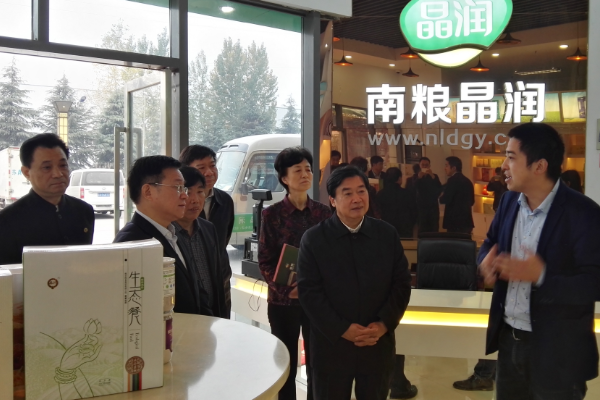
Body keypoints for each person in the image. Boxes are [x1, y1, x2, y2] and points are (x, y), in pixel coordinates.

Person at [479, 123, 600, 400]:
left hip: (558, 352)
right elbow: (489, 242)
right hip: (510, 341)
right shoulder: (508, 202)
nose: (503, 166)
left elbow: (595, 283)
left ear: (539, 166)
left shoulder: (584, 213)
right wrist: (485, 261)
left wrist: (542, 275)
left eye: (511, 157)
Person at [297, 166, 412, 400]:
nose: (357, 199)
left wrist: (383, 324)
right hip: (331, 347)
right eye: (347, 193)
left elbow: (401, 284)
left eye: (361, 191)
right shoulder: (315, 239)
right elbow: (309, 293)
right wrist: (343, 329)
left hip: (376, 343)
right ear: (332, 200)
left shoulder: (386, 235)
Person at [258, 147, 332, 400]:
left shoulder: (324, 213)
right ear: (284, 178)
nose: (305, 174)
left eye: (308, 169)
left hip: (317, 302)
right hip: (283, 302)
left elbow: (331, 258)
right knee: (285, 363)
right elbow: (265, 260)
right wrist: (287, 289)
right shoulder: (271, 215)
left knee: (318, 363)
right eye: (298, 170)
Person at [114, 156, 211, 316]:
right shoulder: (132, 242)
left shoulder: (172, 234)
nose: (185, 196)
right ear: (148, 192)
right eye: (177, 188)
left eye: (184, 188)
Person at [0, 133, 94, 265]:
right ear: (26, 172)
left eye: (63, 165)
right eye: (47, 167)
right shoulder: (7, 220)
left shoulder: (84, 211)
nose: (58, 174)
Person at [179, 145, 234, 318]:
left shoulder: (225, 200)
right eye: (201, 167)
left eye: (212, 166)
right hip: (190, 283)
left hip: (220, 277)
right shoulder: (180, 203)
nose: (209, 173)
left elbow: (223, 240)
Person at [377, 167, 416, 239]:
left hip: (386, 228)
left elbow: (378, 212)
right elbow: (414, 212)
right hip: (405, 229)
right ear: (399, 178)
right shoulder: (407, 193)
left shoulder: (380, 194)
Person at [439, 156, 474, 234]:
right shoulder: (468, 181)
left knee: (454, 241)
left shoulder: (452, 181)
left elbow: (445, 199)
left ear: (454, 168)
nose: (445, 168)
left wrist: (441, 197)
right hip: (467, 221)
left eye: (447, 166)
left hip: (454, 222)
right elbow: (472, 201)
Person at [415, 157, 442, 234]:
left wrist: (432, 176)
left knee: (434, 229)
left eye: (426, 165)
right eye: (423, 165)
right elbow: (414, 188)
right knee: (422, 229)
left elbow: (439, 189)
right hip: (421, 208)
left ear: (429, 166)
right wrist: (419, 178)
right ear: (419, 165)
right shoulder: (415, 177)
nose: (424, 166)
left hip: (433, 208)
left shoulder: (434, 176)